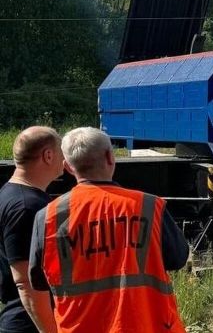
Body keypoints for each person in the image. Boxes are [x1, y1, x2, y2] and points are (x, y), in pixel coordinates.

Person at [29, 128, 189, 333]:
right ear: (110, 157)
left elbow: (39, 281)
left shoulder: (48, 217)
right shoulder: (149, 206)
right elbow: (178, 258)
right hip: (146, 325)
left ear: (67, 167)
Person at [0, 127, 62, 333]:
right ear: (48, 155)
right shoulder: (26, 207)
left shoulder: (8, 194)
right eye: (61, 152)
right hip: (29, 322)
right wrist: (50, 330)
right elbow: (26, 283)